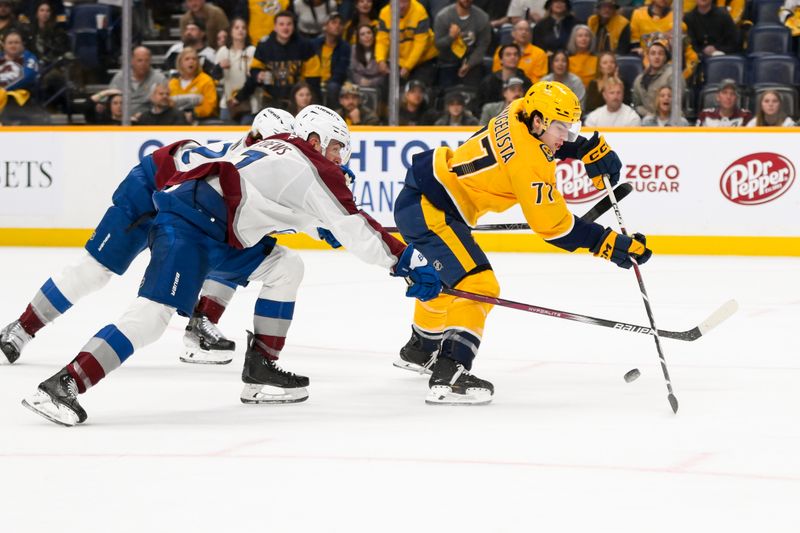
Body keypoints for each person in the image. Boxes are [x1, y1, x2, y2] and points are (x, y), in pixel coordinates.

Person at [20, 106, 442, 426]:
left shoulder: (283, 152)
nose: (339, 158)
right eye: (336, 147)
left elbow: (276, 202)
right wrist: (404, 260)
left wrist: (320, 225)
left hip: (217, 228)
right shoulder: (310, 165)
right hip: (190, 226)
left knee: (284, 266)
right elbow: (355, 226)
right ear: (314, 138)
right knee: (149, 317)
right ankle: (65, 383)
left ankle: (260, 372)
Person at [393, 80, 651, 404]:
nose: (565, 137)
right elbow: (555, 228)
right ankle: (451, 370)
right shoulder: (529, 164)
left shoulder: (518, 111)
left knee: (450, 283)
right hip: (432, 211)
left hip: (425, 195)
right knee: (478, 285)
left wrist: (584, 148)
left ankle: (420, 348)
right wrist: (607, 244)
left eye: (571, 129)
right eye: (562, 129)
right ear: (540, 120)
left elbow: (544, 147)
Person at [0, 108, 296, 369]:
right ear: (256, 138)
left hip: (187, 208)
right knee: (94, 271)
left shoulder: (261, 170)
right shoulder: (242, 164)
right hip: (149, 190)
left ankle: (200, 325)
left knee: (233, 241)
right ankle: (22, 328)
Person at [234, 10, 321, 110]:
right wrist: (257, 75)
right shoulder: (264, 46)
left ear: (293, 26)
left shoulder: (305, 45)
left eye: (289, 24)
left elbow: (313, 78)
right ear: (275, 27)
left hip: (297, 102)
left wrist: (316, 105)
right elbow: (254, 72)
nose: (285, 28)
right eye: (281, 24)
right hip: (271, 100)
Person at [375, 0, 438, 86]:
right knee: (387, 87)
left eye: (404, 2)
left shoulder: (419, 11)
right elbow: (382, 40)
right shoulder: (384, 13)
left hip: (423, 60)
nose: (401, 6)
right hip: (399, 60)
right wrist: (380, 60)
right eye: (398, 2)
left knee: (418, 89)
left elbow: (420, 45)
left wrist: (408, 67)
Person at [433, 0, 491, 89]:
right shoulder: (443, 17)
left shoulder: (482, 17)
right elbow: (438, 45)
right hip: (447, 61)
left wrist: (469, 64)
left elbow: (483, 46)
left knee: (473, 87)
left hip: (472, 63)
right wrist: (451, 37)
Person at [216, 17, 258, 123]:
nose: (240, 30)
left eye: (243, 28)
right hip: (227, 103)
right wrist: (219, 67)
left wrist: (239, 97)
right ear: (230, 31)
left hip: (249, 102)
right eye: (237, 27)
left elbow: (255, 79)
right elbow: (214, 77)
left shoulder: (252, 51)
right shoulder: (223, 51)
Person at [109, 46, 166, 116]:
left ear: (151, 61)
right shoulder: (120, 77)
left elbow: (165, 102)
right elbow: (110, 99)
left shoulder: (159, 78)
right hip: (122, 120)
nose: (143, 64)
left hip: (149, 121)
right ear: (132, 61)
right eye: (140, 60)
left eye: (146, 60)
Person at [476, 43, 531, 112]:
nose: (513, 57)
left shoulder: (526, 82)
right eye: (508, 55)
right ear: (501, 59)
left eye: (515, 54)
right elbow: (479, 106)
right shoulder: (489, 82)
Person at [631, 39, 679, 118]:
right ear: (648, 57)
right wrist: (648, 115)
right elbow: (637, 105)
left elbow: (677, 104)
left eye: (660, 54)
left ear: (665, 57)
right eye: (653, 53)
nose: (657, 57)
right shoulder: (639, 80)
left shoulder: (673, 75)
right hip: (647, 121)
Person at [168, 47, 218, 120]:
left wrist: (193, 114)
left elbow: (210, 105)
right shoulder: (172, 83)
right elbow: (168, 105)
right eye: (187, 59)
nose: (191, 61)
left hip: (202, 121)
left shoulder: (206, 80)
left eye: (194, 59)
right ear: (180, 63)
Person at [314, 11, 350, 106]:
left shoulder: (345, 47)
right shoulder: (314, 44)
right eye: (334, 22)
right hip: (315, 79)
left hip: (333, 81)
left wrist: (328, 81)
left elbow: (341, 70)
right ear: (325, 26)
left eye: (340, 24)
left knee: (333, 87)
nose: (337, 26)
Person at [348, 23, 384, 91]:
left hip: (379, 87)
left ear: (373, 36)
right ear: (359, 39)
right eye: (362, 34)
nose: (366, 36)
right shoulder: (353, 50)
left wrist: (371, 82)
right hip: (358, 85)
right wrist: (360, 80)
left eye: (369, 33)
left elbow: (384, 74)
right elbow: (352, 71)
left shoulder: (381, 49)